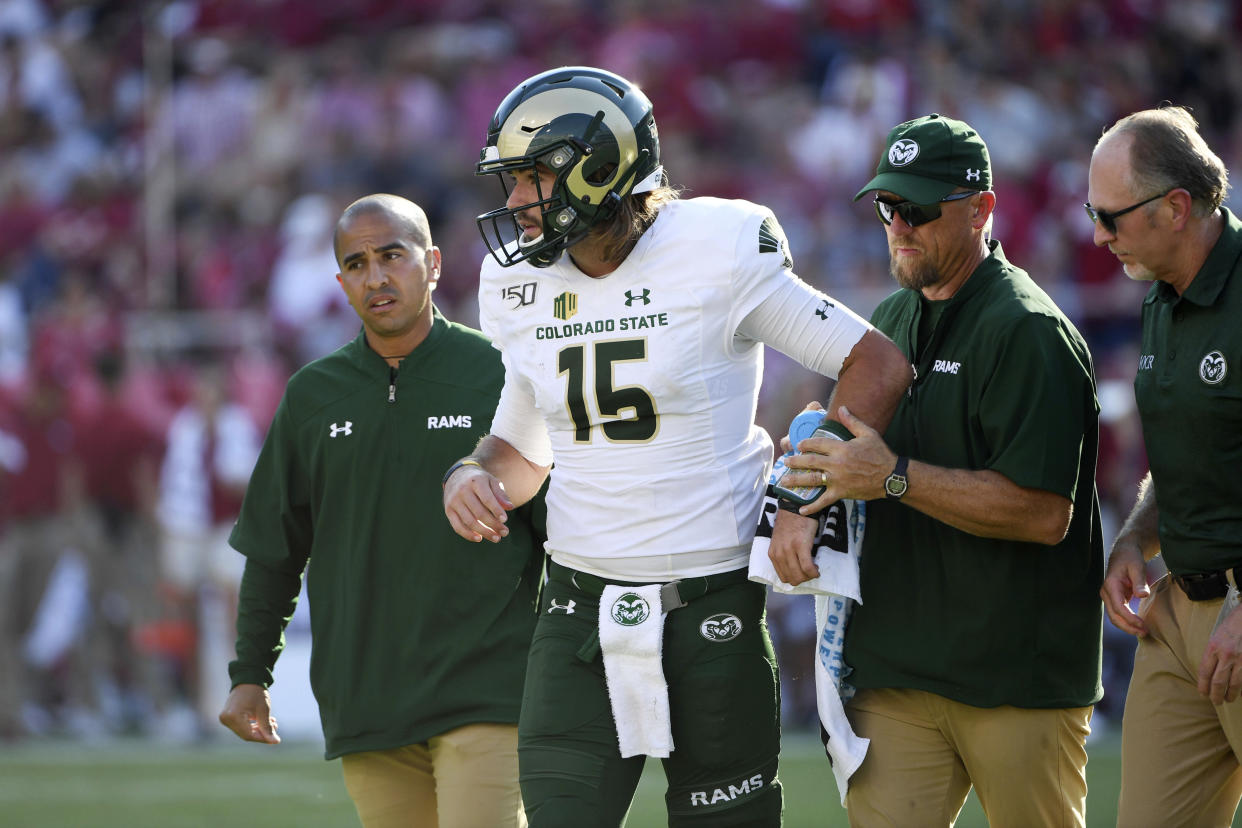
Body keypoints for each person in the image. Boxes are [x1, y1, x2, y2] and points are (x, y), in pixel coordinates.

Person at [443, 66, 911, 827]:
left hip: (710, 604)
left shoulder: (715, 246)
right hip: (576, 611)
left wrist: (802, 495)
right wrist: (471, 474)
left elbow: (876, 363)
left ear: (595, 168)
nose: (513, 203)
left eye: (530, 178)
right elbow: (522, 450)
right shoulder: (515, 283)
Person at [775, 114, 1104, 826]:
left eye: (919, 209)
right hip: (896, 673)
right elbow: (849, 459)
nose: (898, 225)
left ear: (982, 209)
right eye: (889, 206)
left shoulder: (1029, 331)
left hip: (1014, 678)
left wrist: (893, 477)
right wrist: (799, 505)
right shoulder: (888, 320)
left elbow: (1046, 514)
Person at [219, 194, 546, 828]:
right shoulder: (311, 396)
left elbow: (561, 533)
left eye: (392, 256)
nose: (376, 277)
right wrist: (248, 674)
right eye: (358, 263)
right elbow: (274, 550)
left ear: (434, 263)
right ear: (340, 282)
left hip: (489, 689)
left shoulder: (505, 376)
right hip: (366, 702)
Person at [1089, 106, 1242, 826]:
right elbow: (1186, 456)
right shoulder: (1159, 299)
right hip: (1178, 611)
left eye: (1111, 217)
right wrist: (1134, 538)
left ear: (1176, 207)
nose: (1098, 235)